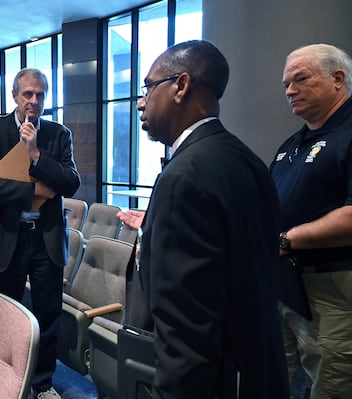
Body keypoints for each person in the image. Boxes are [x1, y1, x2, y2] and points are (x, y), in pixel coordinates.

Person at [124, 40, 289, 398]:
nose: (141, 102)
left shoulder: (184, 176)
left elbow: (186, 328)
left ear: (181, 86)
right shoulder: (247, 160)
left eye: (148, 87)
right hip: (253, 368)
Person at [0, 67, 80, 399]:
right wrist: (36, 189)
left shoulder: (58, 134)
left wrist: (35, 153)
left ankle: (43, 383)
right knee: (4, 309)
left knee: (48, 313)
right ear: (15, 96)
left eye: (40, 95)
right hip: (7, 235)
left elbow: (71, 183)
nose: (34, 101)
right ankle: (2, 377)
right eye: (28, 94)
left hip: (45, 237)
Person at [271, 43, 352, 399]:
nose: (290, 90)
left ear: (337, 79)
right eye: (286, 83)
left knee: (330, 383)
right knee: (282, 377)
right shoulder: (293, 142)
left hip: (333, 287)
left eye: (300, 79)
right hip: (286, 284)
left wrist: (288, 239)